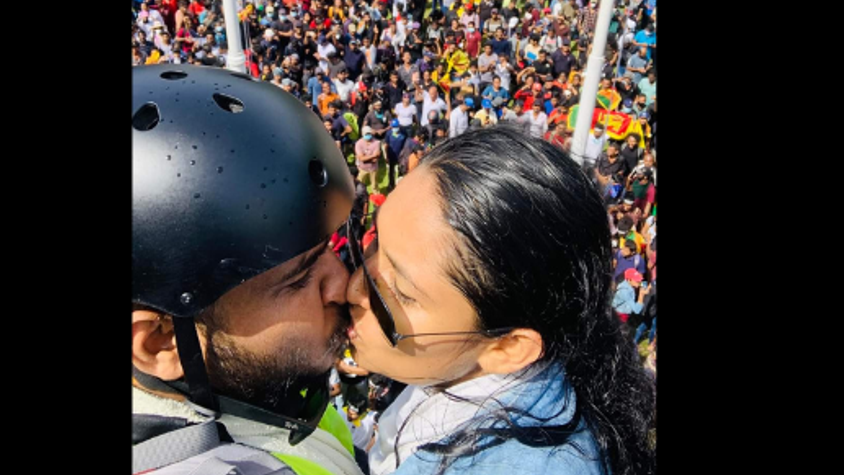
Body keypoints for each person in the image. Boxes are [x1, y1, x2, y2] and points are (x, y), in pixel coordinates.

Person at [343, 125, 655, 475]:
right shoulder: (463, 372)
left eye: (399, 293)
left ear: (507, 348)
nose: (352, 289)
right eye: (372, 244)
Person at [132, 64, 364, 475]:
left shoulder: (260, 391)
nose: (343, 284)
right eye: (297, 279)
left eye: (329, 249)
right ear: (161, 342)